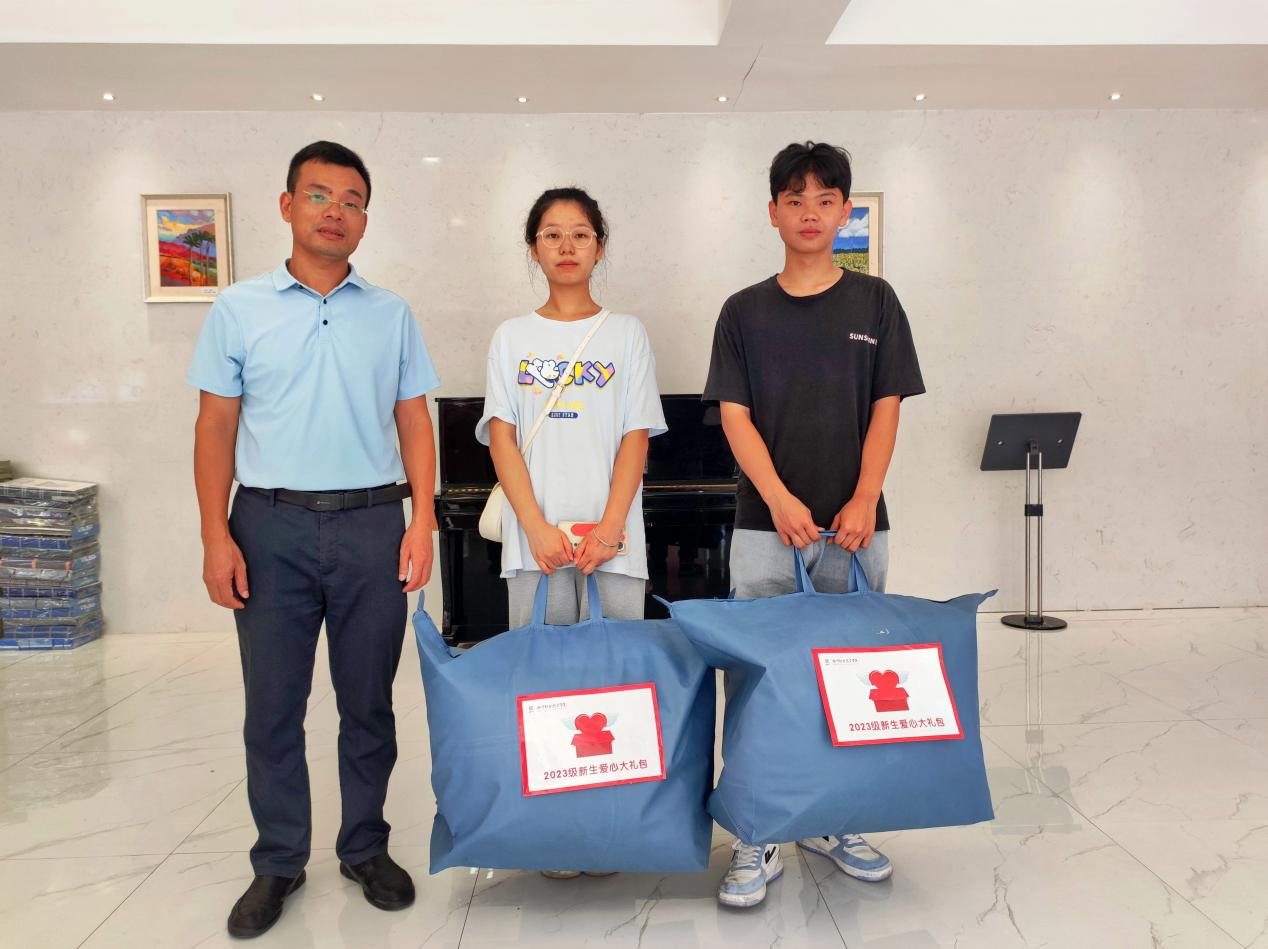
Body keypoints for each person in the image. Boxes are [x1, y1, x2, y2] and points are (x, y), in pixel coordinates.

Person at [189, 141, 440, 937]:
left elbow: (413, 419)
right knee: (273, 705)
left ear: (366, 218)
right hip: (269, 524)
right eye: (320, 194)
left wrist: (423, 519)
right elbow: (214, 425)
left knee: (369, 701)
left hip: (373, 524)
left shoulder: (391, 313)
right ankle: (279, 860)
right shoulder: (238, 308)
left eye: (353, 200)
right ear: (287, 204)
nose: (337, 211)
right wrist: (215, 534)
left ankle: (365, 846)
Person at [703, 141, 925, 908]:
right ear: (772, 213)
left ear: (845, 211)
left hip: (858, 530)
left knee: (850, 682)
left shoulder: (877, 303)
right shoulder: (742, 311)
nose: (810, 212)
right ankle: (757, 833)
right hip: (765, 531)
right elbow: (735, 416)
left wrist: (865, 496)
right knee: (759, 684)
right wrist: (778, 499)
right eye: (795, 199)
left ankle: (836, 820)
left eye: (825, 199)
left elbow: (887, 408)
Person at [475, 187, 666, 878]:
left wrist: (610, 528)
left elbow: (636, 435)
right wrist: (534, 527)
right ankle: (554, 831)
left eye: (580, 234)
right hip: (537, 544)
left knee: (615, 691)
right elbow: (502, 438)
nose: (565, 246)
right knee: (542, 689)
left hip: (613, 546)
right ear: (533, 249)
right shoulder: (511, 337)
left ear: (599, 246)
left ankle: (611, 826)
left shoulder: (626, 333)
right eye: (551, 234)